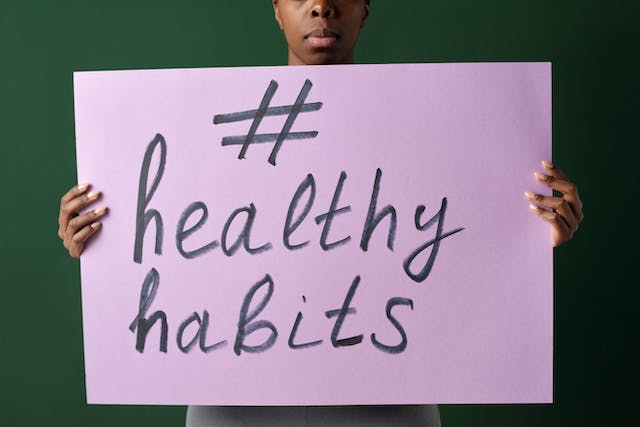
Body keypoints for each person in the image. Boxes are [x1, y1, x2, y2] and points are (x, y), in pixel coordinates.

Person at [57, 1, 584, 425]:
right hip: (233, 403)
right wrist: (98, 241)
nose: (322, 8)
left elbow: (459, 245)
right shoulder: (197, 133)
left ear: (365, 8)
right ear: (276, 9)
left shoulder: (437, 128)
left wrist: (532, 237)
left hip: (390, 400)